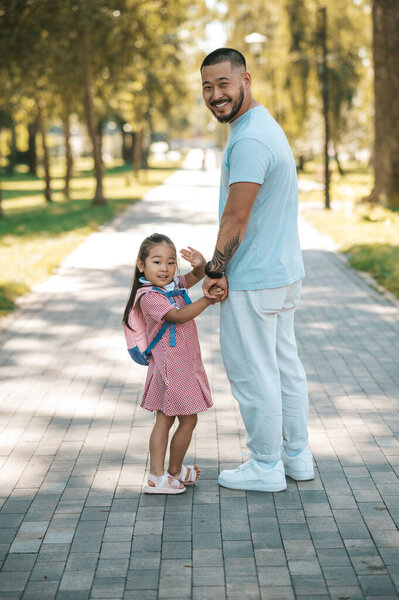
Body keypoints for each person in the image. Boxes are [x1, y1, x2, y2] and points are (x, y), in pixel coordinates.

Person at [200, 48, 314, 492]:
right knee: (285, 367)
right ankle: (296, 455)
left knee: (253, 371)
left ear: (245, 80)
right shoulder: (263, 126)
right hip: (281, 273)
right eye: (208, 87)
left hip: (255, 277)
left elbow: (236, 217)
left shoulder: (248, 139)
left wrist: (214, 269)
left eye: (224, 84)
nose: (215, 95)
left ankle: (266, 465)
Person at [122, 233, 222, 494]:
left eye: (170, 262)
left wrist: (200, 264)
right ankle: (163, 475)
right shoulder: (149, 297)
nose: (164, 268)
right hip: (172, 368)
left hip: (180, 364)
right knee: (182, 421)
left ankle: (166, 474)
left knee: (169, 421)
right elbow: (177, 317)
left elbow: (195, 276)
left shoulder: (168, 287)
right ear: (141, 264)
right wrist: (208, 300)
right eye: (156, 262)